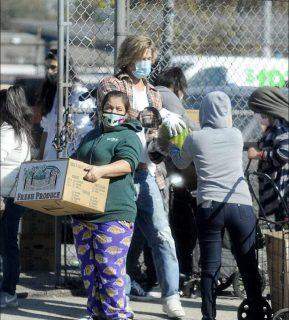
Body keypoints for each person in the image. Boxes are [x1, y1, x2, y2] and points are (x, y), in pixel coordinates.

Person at [97, 35, 186, 318]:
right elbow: (120, 112)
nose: (145, 63)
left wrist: (165, 138)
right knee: (117, 240)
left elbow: (151, 139)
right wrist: (156, 113)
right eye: (141, 57)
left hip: (147, 173)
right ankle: (116, 298)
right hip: (119, 173)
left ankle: (171, 295)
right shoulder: (111, 85)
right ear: (128, 57)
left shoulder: (154, 92)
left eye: (149, 58)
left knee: (162, 235)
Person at [167, 91, 264, 320]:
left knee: (210, 267)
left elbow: (181, 162)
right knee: (248, 263)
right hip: (240, 205)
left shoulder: (195, 138)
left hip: (210, 206)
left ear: (204, 113)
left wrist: (172, 145)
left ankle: (209, 316)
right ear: (228, 112)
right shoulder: (236, 135)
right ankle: (257, 312)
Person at [73, 90, 142, 320]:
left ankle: (118, 315)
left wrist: (101, 171)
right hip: (84, 213)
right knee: (89, 270)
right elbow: (75, 162)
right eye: (109, 108)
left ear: (126, 113)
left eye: (118, 109)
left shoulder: (127, 136)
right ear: (101, 109)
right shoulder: (91, 135)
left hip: (113, 213)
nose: (112, 112)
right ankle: (95, 313)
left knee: (110, 269)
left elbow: (128, 163)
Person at [0, 85, 33, 308]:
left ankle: (7, 290)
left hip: (4, 197)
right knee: (9, 244)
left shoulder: (7, 131)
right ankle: (8, 290)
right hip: (13, 196)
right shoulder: (21, 130)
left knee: (7, 245)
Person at [38, 48, 95, 160]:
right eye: (47, 67)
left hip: (70, 153)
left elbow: (84, 130)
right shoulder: (51, 91)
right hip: (49, 155)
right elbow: (46, 130)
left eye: (53, 67)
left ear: (64, 68)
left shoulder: (78, 91)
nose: (49, 71)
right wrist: (39, 157)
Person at [247, 87, 289, 226]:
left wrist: (259, 154)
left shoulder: (282, 128)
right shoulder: (273, 127)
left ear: (267, 109)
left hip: (282, 193)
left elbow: (284, 154)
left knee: (282, 229)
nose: (257, 116)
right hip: (276, 193)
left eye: (257, 112)